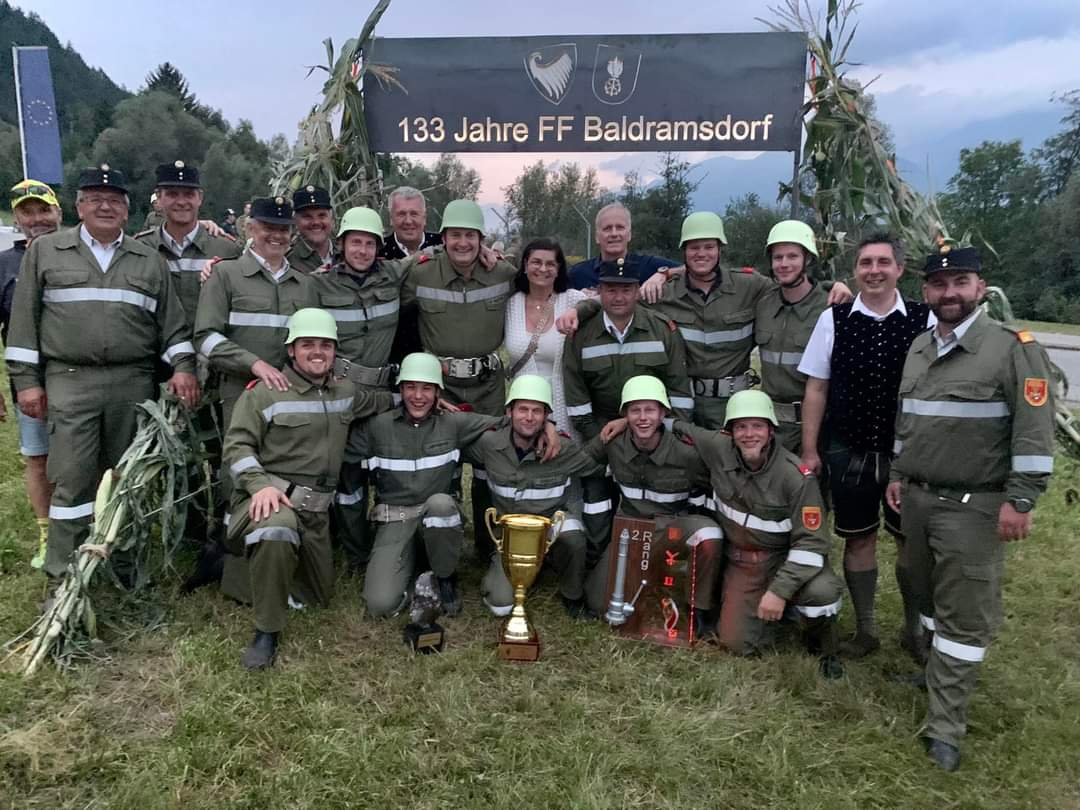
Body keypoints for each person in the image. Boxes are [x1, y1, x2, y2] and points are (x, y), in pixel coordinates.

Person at [885, 245, 1055, 771]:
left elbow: (1033, 431)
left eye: (960, 282)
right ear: (926, 292)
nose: (949, 293)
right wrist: (897, 474)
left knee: (964, 614)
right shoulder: (919, 347)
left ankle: (945, 726)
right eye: (939, 284)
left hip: (972, 505)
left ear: (980, 288)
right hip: (917, 498)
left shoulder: (1010, 349)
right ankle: (933, 671)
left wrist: (1021, 498)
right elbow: (909, 420)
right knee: (922, 591)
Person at [5, 164, 198, 583]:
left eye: (113, 201)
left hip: (133, 382)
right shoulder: (47, 252)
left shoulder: (148, 260)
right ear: (79, 207)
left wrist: (184, 367)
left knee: (126, 477)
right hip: (70, 380)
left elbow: (172, 327)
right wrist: (27, 382)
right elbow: (23, 324)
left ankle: (126, 569)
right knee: (72, 479)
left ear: (127, 210)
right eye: (95, 199)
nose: (105, 207)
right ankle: (65, 572)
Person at [222, 308, 394, 669]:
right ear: (291, 350)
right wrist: (259, 486)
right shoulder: (264, 394)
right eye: (307, 344)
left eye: (326, 345)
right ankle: (266, 633)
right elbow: (236, 448)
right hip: (272, 501)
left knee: (317, 596)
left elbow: (379, 401)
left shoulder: (344, 391)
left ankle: (230, 566)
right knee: (276, 529)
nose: (318, 352)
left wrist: (418, 398)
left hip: (316, 513)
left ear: (335, 351)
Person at [797, 232, 934, 660]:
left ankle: (913, 630)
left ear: (900, 269)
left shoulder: (924, 319)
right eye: (865, 263)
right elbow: (816, 388)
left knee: (910, 542)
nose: (874, 271)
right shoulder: (834, 319)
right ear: (855, 270)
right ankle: (866, 630)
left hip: (907, 454)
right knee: (858, 540)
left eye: (882, 262)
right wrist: (810, 449)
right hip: (848, 448)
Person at [345, 353, 558, 618]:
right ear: (400, 389)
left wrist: (549, 426)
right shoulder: (377, 426)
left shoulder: (453, 423)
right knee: (380, 605)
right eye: (411, 387)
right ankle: (415, 579)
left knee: (442, 504)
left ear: (438, 392)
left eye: (427, 388)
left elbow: (508, 421)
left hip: (438, 518)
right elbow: (344, 450)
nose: (418, 396)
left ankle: (445, 579)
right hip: (395, 521)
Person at [195, 195, 317, 602]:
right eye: (268, 227)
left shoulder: (305, 283)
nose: (276, 235)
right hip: (242, 393)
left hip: (293, 398)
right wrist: (253, 364)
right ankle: (237, 569)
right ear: (250, 228)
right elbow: (206, 338)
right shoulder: (226, 275)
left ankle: (283, 559)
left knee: (285, 471)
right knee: (240, 477)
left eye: (283, 229)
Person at [676, 390, 844, 677]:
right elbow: (678, 427)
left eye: (757, 426)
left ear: (771, 431)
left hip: (785, 561)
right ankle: (771, 617)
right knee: (736, 644)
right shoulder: (717, 447)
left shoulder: (796, 477)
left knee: (822, 593)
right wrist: (625, 421)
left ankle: (820, 642)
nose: (749, 434)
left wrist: (779, 591)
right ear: (729, 432)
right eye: (740, 427)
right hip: (742, 564)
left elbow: (812, 544)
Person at [400, 199, 519, 561]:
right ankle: (441, 552)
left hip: (488, 388)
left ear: (481, 239)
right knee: (442, 468)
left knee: (490, 466)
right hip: (442, 388)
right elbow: (383, 282)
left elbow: (548, 281)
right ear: (443, 238)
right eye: (455, 235)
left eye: (470, 235)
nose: (463, 243)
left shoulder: (503, 273)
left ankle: (488, 546)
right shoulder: (420, 273)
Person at [562, 256, 692, 563]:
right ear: (599, 291)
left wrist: (662, 436)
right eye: (611, 289)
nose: (618, 297)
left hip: (653, 432)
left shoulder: (663, 329)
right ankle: (597, 559)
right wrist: (604, 441)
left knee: (651, 502)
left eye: (626, 289)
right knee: (596, 498)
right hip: (601, 432)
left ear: (637, 290)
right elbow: (577, 400)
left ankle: (650, 558)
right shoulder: (582, 334)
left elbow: (679, 394)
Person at [313, 206, 411, 572]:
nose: (362, 251)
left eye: (370, 244)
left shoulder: (392, 274)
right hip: (341, 393)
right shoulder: (319, 283)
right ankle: (355, 553)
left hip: (383, 394)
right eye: (355, 242)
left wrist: (488, 251)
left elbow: (430, 257)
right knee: (349, 476)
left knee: (389, 472)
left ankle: (392, 546)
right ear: (341, 244)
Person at [582, 375, 721, 629]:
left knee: (710, 534)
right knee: (599, 603)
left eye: (650, 410)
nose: (643, 418)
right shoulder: (613, 442)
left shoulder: (686, 452)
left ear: (663, 413)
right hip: (630, 533)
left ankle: (699, 610)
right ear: (624, 415)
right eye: (635, 411)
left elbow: (715, 481)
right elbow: (581, 461)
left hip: (672, 530)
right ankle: (648, 577)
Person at [467, 375, 603, 618]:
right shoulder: (489, 444)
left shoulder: (562, 448)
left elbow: (598, 466)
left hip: (550, 525)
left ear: (546, 416)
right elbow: (454, 440)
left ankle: (572, 594)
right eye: (523, 409)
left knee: (573, 536)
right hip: (510, 536)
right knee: (500, 606)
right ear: (509, 412)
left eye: (537, 411)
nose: (529, 417)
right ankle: (506, 570)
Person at [0, 180, 62, 569]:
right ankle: (46, 533)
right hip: (29, 384)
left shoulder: (77, 252)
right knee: (38, 459)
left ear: (59, 212)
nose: (37, 219)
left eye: (44, 210)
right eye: (27, 212)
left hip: (75, 378)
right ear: (17, 218)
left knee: (83, 459)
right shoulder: (5, 263)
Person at [754, 220, 833, 452]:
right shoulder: (764, 304)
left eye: (792, 256)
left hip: (815, 429)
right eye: (778, 257)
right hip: (770, 427)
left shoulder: (829, 307)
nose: (784, 264)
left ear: (807, 259)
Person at [136, 161, 242, 330]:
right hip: (154, 345)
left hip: (210, 344)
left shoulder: (227, 250)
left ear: (200, 198)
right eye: (172, 194)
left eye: (189, 194)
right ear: (159, 197)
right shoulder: (141, 248)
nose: (181, 201)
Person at [503, 237, 588, 439]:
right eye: (536, 262)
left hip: (563, 402)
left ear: (559, 269)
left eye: (550, 264)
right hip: (524, 405)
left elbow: (604, 302)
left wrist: (577, 311)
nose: (543, 269)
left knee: (563, 451)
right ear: (525, 265)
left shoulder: (573, 300)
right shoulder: (511, 304)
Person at [378, 186, 442, 365]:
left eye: (414, 213)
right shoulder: (377, 251)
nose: (408, 221)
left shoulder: (445, 246)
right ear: (391, 219)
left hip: (439, 355)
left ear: (424, 217)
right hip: (391, 355)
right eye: (401, 214)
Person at [568, 203, 678, 289]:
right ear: (597, 237)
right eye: (607, 228)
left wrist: (664, 274)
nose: (614, 233)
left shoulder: (647, 266)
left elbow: (686, 269)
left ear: (629, 235)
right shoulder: (578, 274)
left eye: (620, 227)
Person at [287, 185, 336, 273]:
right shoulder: (287, 262)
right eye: (307, 216)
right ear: (295, 221)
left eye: (322, 215)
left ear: (332, 220)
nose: (316, 222)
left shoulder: (349, 253)